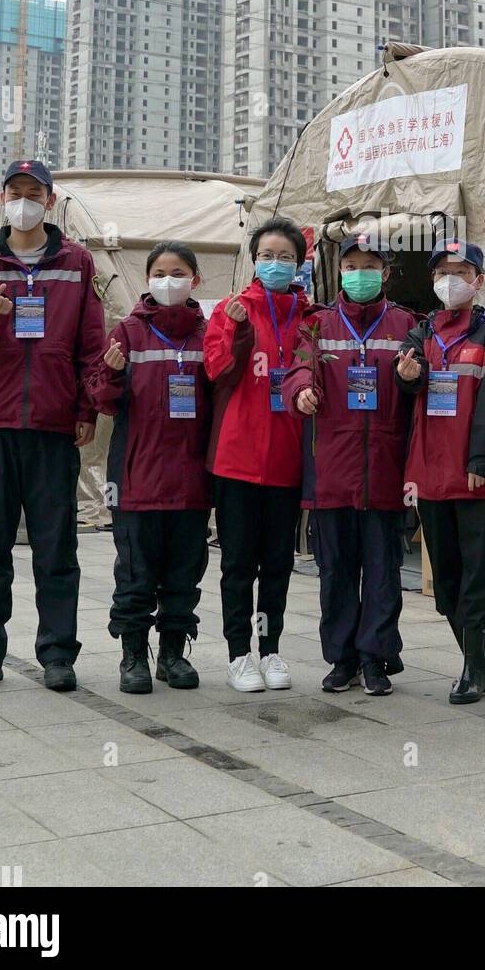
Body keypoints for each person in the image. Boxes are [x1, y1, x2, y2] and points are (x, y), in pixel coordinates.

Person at [0, 160, 104, 693]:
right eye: (14, 192)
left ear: (50, 200)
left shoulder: (78, 264)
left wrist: (86, 410)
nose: (23, 201)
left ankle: (58, 654)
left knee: (55, 547)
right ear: (3, 201)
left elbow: (90, 344)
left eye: (32, 192)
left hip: (53, 424)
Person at [282, 234, 418, 696]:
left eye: (370, 266)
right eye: (351, 265)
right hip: (332, 469)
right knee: (335, 571)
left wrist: (409, 378)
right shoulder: (315, 325)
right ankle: (341, 658)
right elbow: (298, 367)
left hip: (386, 467)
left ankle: (376, 658)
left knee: (383, 570)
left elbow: (419, 385)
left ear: (385, 273)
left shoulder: (406, 323)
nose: (360, 274)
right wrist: (301, 391)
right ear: (340, 272)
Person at [394, 240, 485, 705]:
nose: (450, 280)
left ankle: (473, 667)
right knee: (445, 578)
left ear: (478, 281)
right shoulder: (422, 332)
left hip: (477, 478)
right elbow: (406, 376)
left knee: (479, 575)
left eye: (461, 272)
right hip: (431, 475)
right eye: (442, 272)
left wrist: (484, 461)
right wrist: (405, 375)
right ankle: (474, 655)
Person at [87, 243, 212, 695]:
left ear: (195, 280)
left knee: (184, 571)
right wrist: (113, 373)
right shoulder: (128, 333)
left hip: (192, 479)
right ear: (147, 280)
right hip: (136, 478)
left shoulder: (208, 335)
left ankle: (174, 654)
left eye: (178, 272)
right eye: (159, 272)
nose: (169, 280)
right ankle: (134, 655)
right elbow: (102, 400)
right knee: (136, 571)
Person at [204, 217, 312, 692]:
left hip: (288, 461)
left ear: (299, 264)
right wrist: (242, 332)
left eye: (284, 257)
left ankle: (270, 651)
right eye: (266, 256)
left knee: (278, 565)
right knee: (238, 564)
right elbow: (218, 371)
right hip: (237, 459)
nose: (274, 264)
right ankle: (238, 654)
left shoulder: (311, 318)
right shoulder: (232, 310)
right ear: (254, 260)